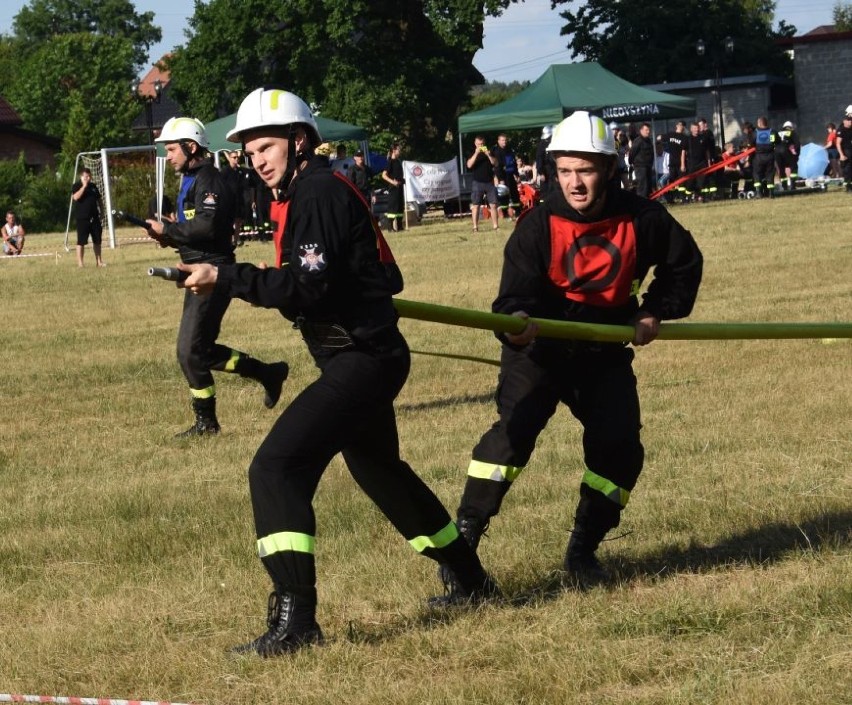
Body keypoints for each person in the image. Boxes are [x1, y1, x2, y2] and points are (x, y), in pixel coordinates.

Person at [178, 87, 497, 656]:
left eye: (266, 146)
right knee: (382, 475)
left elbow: (306, 286)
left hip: (362, 361)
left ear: (300, 141)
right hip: (360, 356)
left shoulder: (319, 191)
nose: (257, 159)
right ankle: (471, 581)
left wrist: (226, 277)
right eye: (249, 150)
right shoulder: (306, 192)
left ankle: (296, 620)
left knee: (276, 468)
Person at [436, 111, 702, 591]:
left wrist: (653, 310)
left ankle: (584, 549)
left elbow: (685, 264)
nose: (574, 183)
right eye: (564, 171)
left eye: (585, 170)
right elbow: (511, 300)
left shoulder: (643, 219)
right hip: (539, 351)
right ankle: (463, 548)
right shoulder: (537, 225)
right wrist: (515, 329)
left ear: (609, 169)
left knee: (620, 449)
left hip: (602, 351)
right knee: (510, 441)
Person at [144, 116, 288, 437]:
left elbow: (209, 226)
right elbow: (197, 229)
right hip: (198, 268)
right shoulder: (192, 179)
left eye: (172, 149)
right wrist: (171, 235)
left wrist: (169, 229)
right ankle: (267, 372)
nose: (169, 157)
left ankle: (207, 423)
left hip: (213, 270)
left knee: (190, 352)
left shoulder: (210, 180)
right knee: (200, 350)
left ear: (190, 146)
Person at [71, 167, 105, 267]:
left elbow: (99, 200)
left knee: (97, 240)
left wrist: (102, 212)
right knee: (81, 241)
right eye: (86, 176)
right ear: (81, 177)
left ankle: (99, 262)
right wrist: (84, 187)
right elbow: (76, 197)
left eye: (89, 176)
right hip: (82, 218)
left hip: (94, 218)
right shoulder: (76, 185)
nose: (88, 178)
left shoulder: (93, 186)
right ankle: (80, 263)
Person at [467, 135, 499, 232]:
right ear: (475, 144)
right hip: (477, 183)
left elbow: (495, 163)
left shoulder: (489, 152)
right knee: (476, 205)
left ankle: (495, 226)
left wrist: (488, 155)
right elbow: (469, 165)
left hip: (489, 182)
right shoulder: (472, 153)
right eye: (478, 144)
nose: (480, 145)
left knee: (493, 205)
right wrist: (476, 153)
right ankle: (475, 227)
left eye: (482, 144)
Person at [493, 133, 520, 219]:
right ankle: (505, 214)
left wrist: (516, 174)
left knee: (514, 194)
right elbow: (497, 167)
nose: (504, 142)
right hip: (503, 177)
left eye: (505, 140)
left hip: (511, 174)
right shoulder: (496, 151)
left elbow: (513, 163)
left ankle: (518, 212)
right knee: (504, 195)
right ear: (498, 141)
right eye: (502, 140)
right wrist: (500, 178)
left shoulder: (509, 150)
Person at [753, 116, 780, 198]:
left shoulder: (756, 132)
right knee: (770, 174)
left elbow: (751, 143)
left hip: (759, 156)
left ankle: (759, 193)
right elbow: (777, 142)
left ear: (760, 123)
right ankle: (771, 193)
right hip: (770, 156)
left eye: (758, 123)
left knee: (757, 174)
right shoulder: (772, 132)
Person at [381, 143, 405, 232]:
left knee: (399, 207)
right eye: (398, 149)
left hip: (400, 187)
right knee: (393, 207)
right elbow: (383, 175)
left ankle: (399, 226)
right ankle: (390, 227)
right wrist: (392, 182)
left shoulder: (399, 161)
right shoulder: (390, 162)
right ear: (394, 151)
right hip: (393, 189)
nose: (400, 151)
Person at [628, 122, 654, 198]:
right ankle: (642, 203)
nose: (648, 132)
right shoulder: (638, 141)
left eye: (649, 130)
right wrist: (631, 162)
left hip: (648, 166)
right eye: (646, 130)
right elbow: (632, 153)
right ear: (641, 130)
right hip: (640, 167)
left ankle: (648, 202)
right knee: (643, 186)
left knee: (648, 186)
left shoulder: (648, 140)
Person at [776, 120, 800, 191]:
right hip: (785, 150)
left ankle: (784, 187)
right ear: (791, 127)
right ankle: (793, 186)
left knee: (781, 169)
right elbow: (797, 144)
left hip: (776, 152)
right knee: (794, 167)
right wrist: (796, 154)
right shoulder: (792, 132)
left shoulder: (778, 133)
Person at [534, 125, 555, 198]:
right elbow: (539, 159)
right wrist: (541, 172)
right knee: (545, 191)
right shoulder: (542, 145)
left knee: (553, 189)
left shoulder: (554, 143)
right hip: (545, 170)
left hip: (553, 170)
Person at [837, 110, 852, 193]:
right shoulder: (841, 129)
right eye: (849, 120)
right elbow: (838, 143)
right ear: (844, 121)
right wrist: (841, 155)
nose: (850, 122)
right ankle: (848, 186)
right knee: (847, 170)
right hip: (846, 151)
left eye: (851, 120)